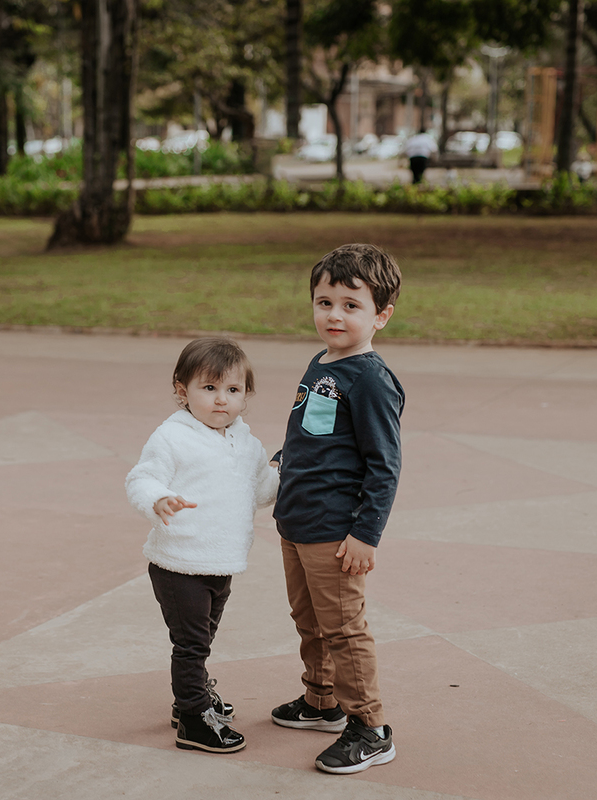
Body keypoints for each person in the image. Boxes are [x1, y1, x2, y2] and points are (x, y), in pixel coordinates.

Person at [269, 243, 404, 775]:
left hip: (335, 531)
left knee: (344, 629)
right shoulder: (322, 361)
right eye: (325, 302)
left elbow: (384, 463)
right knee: (310, 619)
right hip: (297, 521)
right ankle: (321, 701)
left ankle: (369, 728)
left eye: (351, 305)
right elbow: (309, 431)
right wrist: (280, 464)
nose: (334, 315)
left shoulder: (370, 379)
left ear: (381, 315)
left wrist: (366, 534)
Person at [125, 337, 280, 754]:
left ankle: (188, 699)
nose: (220, 401)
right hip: (179, 563)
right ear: (182, 391)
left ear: (245, 395)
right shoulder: (173, 437)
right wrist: (158, 498)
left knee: (202, 639)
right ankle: (194, 719)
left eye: (232, 390)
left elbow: (262, 489)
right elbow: (142, 477)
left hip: (221, 562)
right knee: (191, 645)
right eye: (208, 389)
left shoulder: (246, 443)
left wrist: (285, 472)